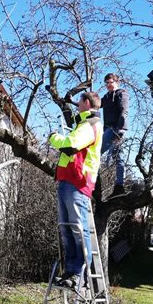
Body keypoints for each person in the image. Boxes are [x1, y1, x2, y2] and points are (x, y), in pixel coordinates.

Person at [49, 91, 102, 289]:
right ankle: (71, 271)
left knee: (78, 230)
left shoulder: (91, 124)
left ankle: (81, 275)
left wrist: (53, 138)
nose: (77, 105)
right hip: (68, 180)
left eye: (79, 101)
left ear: (86, 103)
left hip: (77, 182)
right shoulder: (83, 124)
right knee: (66, 229)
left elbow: (70, 145)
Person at [100, 72, 129, 197]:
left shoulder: (121, 94)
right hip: (108, 129)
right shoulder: (106, 97)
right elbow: (93, 105)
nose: (108, 85)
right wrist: (74, 102)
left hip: (115, 129)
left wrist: (120, 130)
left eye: (110, 82)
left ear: (116, 82)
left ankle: (90, 178)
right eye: (106, 83)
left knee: (96, 151)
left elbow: (124, 110)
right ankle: (119, 187)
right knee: (118, 158)